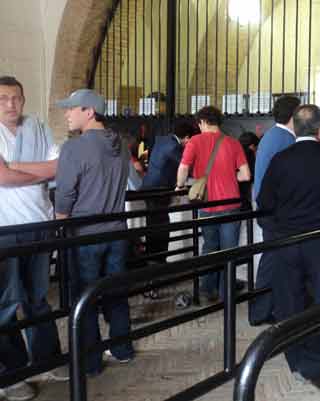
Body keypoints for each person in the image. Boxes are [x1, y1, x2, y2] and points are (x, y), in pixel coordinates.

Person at [257, 104, 320, 389]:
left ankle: (295, 360)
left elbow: (265, 203)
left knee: (289, 301)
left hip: (288, 242)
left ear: (294, 127)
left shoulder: (280, 160)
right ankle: (314, 359)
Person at [55, 88, 135, 376]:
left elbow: (64, 195)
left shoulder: (74, 148)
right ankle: (122, 348)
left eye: (71, 108)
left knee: (84, 297)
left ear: (89, 111)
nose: (66, 113)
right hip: (116, 231)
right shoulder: (122, 144)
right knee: (115, 290)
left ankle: (90, 362)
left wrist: (59, 225)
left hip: (85, 234)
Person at [0, 76, 64, 401]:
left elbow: (58, 167)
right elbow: (2, 177)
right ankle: (11, 374)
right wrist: (32, 171)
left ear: (24, 100)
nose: (11, 104)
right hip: (6, 230)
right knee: (7, 304)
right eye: (3, 99)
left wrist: (14, 168)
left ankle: (47, 358)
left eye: (17, 98)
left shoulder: (37, 125)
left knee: (38, 298)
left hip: (41, 223)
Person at [176, 106, 251, 300]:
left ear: (202, 122)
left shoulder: (195, 141)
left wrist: (179, 185)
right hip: (231, 204)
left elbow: (183, 169)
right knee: (229, 250)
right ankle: (226, 293)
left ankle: (206, 290)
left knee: (209, 247)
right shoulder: (233, 143)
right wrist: (227, 175)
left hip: (207, 204)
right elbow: (245, 175)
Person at [249, 95, 300, 325]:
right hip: (277, 212)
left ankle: (267, 309)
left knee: (274, 259)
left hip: (266, 209)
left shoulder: (271, 136)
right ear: (294, 116)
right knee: (272, 261)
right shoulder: (287, 140)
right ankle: (260, 312)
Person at [141, 120, 196, 263]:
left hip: (149, 187)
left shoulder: (163, 140)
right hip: (160, 189)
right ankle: (158, 259)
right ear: (187, 137)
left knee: (153, 223)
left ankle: (152, 257)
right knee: (162, 224)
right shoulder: (174, 147)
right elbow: (186, 166)